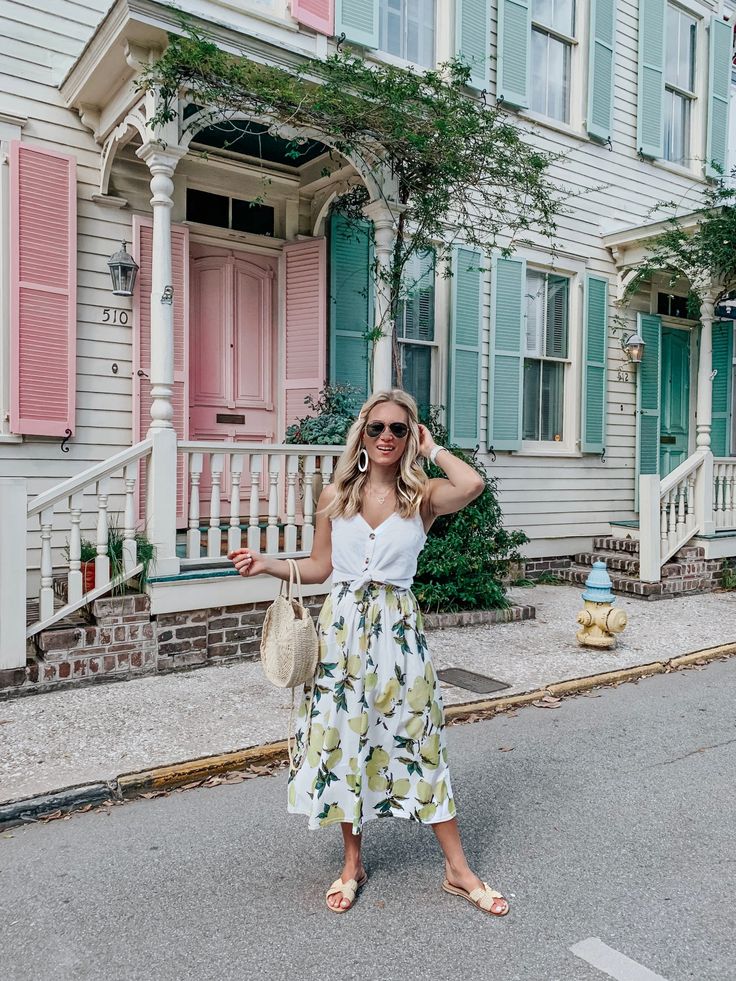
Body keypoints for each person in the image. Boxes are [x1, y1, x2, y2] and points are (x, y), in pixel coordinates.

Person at [229, 389, 509, 917]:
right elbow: (320, 569)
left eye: (398, 429)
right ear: (362, 433)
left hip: (399, 639)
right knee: (345, 744)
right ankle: (351, 863)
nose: (386, 436)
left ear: (409, 437)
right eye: (377, 427)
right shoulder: (336, 495)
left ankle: (457, 868)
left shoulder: (421, 497)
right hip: (341, 637)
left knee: (420, 743)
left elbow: (472, 485)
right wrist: (268, 565)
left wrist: (431, 449)